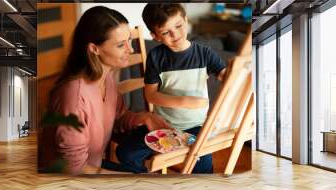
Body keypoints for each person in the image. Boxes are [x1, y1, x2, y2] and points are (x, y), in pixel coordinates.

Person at [40, 6, 171, 175]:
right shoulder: (73, 97)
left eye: (129, 40)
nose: (130, 50)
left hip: (94, 168)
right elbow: (73, 168)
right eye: (120, 45)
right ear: (94, 48)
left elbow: (115, 117)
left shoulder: (105, 77)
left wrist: (143, 117)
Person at [116, 3, 227, 173]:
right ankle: (146, 177)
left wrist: (236, 73)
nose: (175, 35)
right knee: (126, 153)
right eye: (166, 32)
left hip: (197, 125)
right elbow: (151, 95)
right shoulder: (156, 57)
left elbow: (225, 76)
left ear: (186, 20)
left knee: (202, 163)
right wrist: (183, 101)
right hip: (162, 125)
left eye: (178, 26)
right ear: (155, 36)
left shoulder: (205, 54)